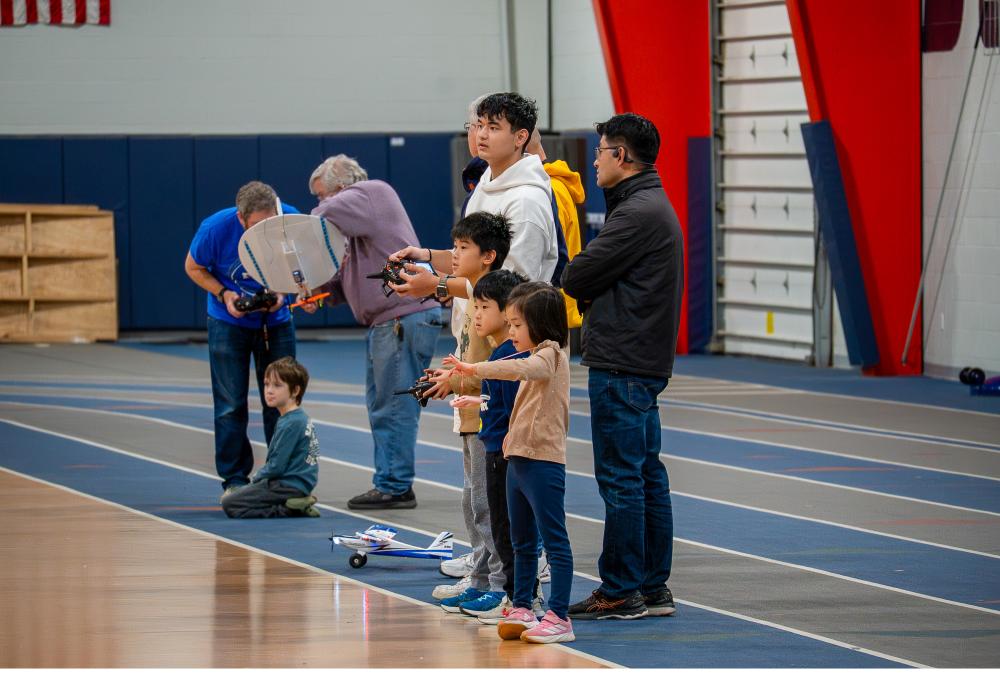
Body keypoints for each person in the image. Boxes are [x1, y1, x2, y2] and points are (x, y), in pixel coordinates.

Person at [562, 113, 684, 620]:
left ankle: (620, 588)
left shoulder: (637, 213)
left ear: (623, 157)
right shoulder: (646, 205)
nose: (593, 160)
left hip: (624, 361)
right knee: (644, 475)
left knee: (622, 479)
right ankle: (651, 587)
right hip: (640, 358)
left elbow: (577, 273)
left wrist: (586, 286)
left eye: (601, 151)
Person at [304, 155, 443, 510]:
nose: (320, 203)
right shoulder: (359, 227)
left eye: (323, 194)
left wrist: (307, 224)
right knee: (385, 405)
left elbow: (316, 220)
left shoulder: (370, 192)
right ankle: (392, 481)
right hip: (393, 320)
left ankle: (394, 485)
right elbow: (345, 280)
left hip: (401, 318)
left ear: (341, 188)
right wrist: (319, 297)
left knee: (393, 405)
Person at [444, 282, 574, 644]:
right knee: (521, 540)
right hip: (518, 459)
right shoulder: (531, 358)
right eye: (511, 325)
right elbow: (520, 401)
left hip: (543, 462)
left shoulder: (550, 356)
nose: (512, 332)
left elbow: (518, 371)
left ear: (541, 323)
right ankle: (521, 605)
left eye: (518, 325)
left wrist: (471, 369)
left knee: (554, 540)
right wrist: (480, 403)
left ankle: (560, 616)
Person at [422, 212, 512, 616]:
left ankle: (500, 584)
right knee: (472, 501)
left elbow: (492, 371)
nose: (454, 256)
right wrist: (447, 375)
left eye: (462, 249)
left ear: (488, 256)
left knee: (488, 505)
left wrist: (455, 381)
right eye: (454, 247)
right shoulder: (473, 300)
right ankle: (479, 579)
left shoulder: (496, 305)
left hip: (486, 421)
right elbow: (466, 361)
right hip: (468, 419)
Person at [185, 181, 298, 500]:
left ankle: (283, 476)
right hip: (227, 321)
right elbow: (193, 267)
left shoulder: (291, 220)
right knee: (230, 403)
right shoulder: (215, 228)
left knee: (281, 401)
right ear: (241, 218)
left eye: (270, 224)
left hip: (276, 322)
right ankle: (234, 478)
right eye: (258, 226)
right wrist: (225, 293)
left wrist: (284, 291)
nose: (266, 231)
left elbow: (305, 267)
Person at [446, 269, 545, 625]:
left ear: (507, 313)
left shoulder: (513, 357)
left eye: (483, 307)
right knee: (492, 518)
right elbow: (500, 403)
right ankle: (508, 591)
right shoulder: (501, 355)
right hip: (494, 447)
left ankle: (520, 596)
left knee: (508, 526)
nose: (475, 315)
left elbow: (520, 408)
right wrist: (478, 403)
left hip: (507, 454)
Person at [389, 92, 557, 301]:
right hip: (476, 326)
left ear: (520, 137)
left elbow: (513, 287)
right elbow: (473, 260)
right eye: (480, 125)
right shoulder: (486, 182)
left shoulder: (526, 201)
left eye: (493, 128)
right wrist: (426, 256)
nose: (482, 135)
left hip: (510, 330)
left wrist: (438, 284)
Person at [221, 357, 320, 518]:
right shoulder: (295, 418)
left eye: (277, 385)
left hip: (287, 485)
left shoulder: (291, 423)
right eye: (267, 384)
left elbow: (277, 465)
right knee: (242, 495)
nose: (269, 390)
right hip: (295, 483)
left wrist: (257, 478)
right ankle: (292, 503)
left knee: (230, 504)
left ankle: (289, 509)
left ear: (295, 391)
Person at [525, 128, 585, 329]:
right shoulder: (549, 186)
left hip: (545, 312)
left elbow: (545, 256)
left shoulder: (549, 191)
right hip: (547, 307)